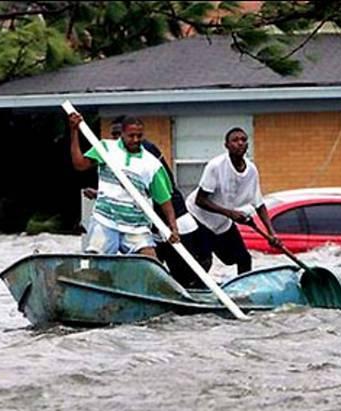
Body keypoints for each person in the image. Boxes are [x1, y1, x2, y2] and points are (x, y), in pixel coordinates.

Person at [69, 113, 180, 259]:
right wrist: (74, 131)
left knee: (150, 261)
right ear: (122, 134)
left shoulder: (151, 164)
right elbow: (79, 164)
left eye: (139, 136)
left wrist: (173, 226)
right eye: (131, 135)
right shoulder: (106, 148)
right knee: (96, 264)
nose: (135, 140)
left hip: (136, 226)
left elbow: (164, 199)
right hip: (106, 220)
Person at [112, 115, 203, 287]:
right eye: (114, 136)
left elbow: (159, 190)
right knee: (149, 273)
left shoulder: (145, 151)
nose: (116, 140)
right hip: (154, 227)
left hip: (175, 223)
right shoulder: (120, 155)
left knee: (184, 279)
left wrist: (172, 226)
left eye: (119, 135)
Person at [186, 127, 281, 275]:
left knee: (244, 259)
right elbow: (200, 200)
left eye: (243, 140)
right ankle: (195, 291)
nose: (240, 143)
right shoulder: (215, 166)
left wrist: (272, 233)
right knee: (204, 259)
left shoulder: (251, 170)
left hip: (222, 222)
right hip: (198, 218)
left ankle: (244, 292)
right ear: (227, 145)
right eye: (235, 140)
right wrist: (230, 213)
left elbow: (259, 204)